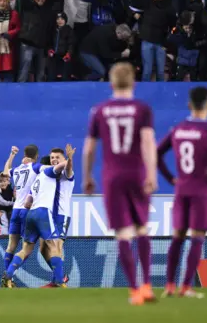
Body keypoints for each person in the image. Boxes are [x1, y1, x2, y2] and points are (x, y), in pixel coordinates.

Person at [82, 62, 158, 305]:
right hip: (136, 172)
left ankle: (134, 291)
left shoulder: (100, 110)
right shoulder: (142, 109)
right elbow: (148, 142)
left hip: (112, 176)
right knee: (142, 228)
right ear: (134, 82)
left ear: (111, 83)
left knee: (123, 233)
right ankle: (147, 285)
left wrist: (87, 177)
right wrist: (152, 174)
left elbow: (89, 148)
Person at [157, 86, 207, 298]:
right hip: (202, 189)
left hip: (182, 188)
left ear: (189, 105)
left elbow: (156, 153)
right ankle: (186, 287)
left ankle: (169, 286)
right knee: (197, 237)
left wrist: (171, 178)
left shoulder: (178, 129)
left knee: (177, 236)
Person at [3, 145, 75, 289]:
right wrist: (69, 158)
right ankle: (60, 280)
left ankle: (8, 274)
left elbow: (28, 202)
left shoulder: (45, 176)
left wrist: (69, 161)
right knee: (53, 247)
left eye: (57, 158)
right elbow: (63, 165)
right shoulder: (49, 172)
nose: (54, 160)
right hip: (45, 213)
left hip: (55, 215)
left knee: (35, 248)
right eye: (52, 157)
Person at [0, 144, 43, 285]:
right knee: (26, 248)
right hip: (26, 210)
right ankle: (9, 274)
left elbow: (5, 172)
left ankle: (8, 280)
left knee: (11, 245)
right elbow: (49, 170)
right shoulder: (35, 167)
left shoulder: (17, 169)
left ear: (25, 154)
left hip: (15, 210)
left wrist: (12, 155)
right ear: (36, 156)